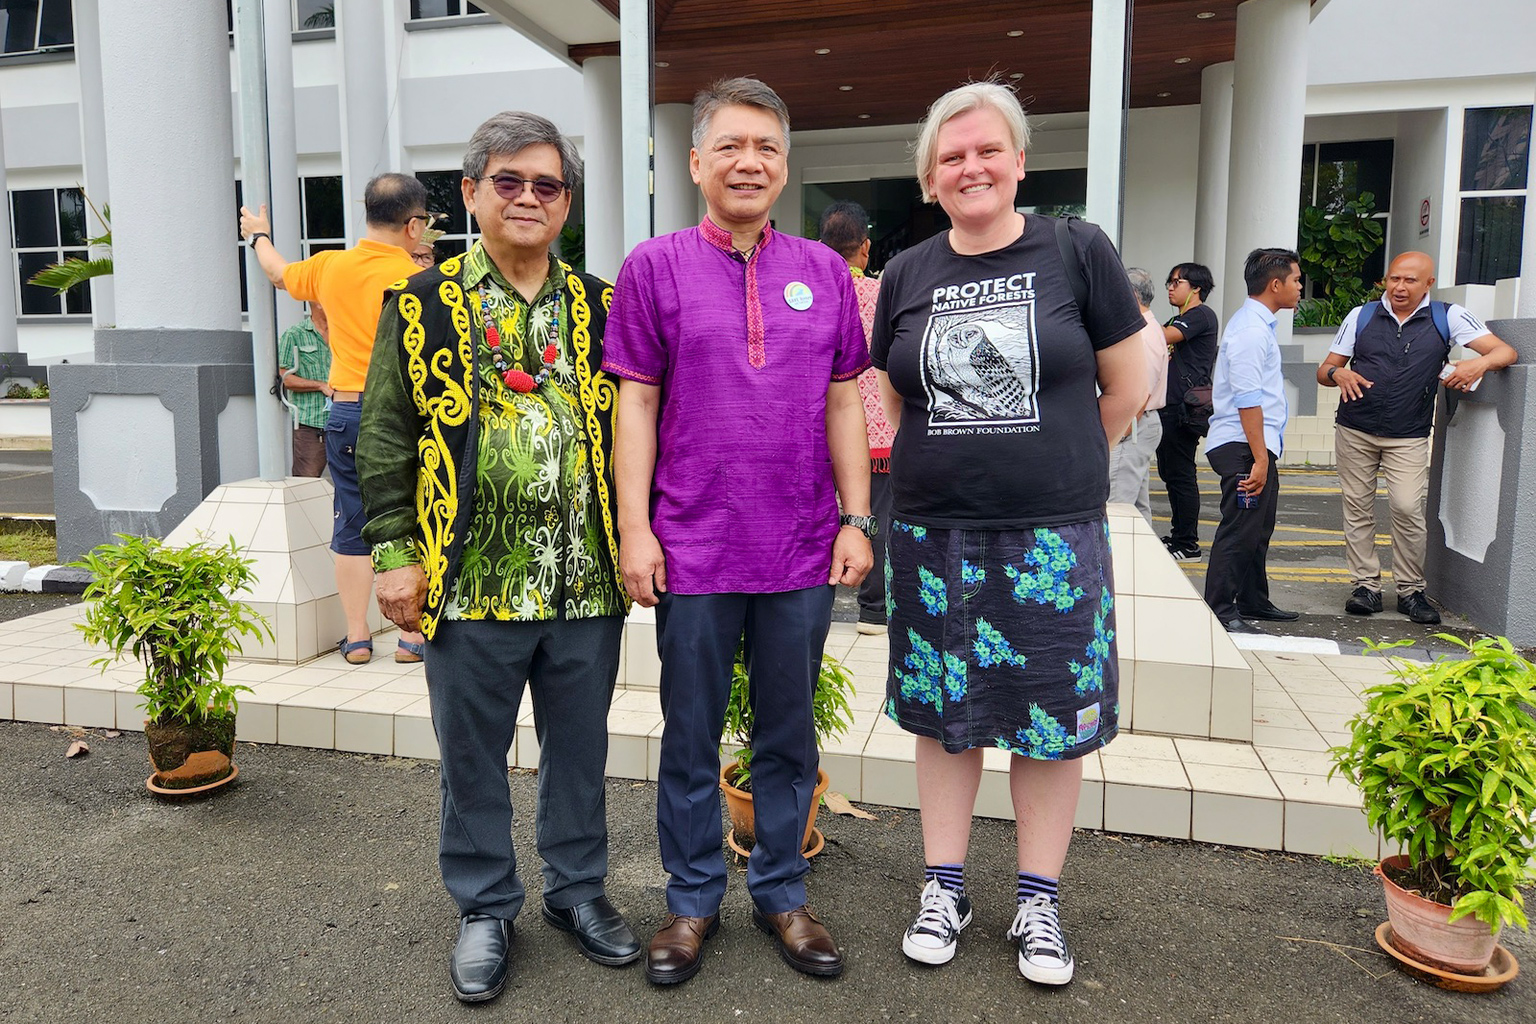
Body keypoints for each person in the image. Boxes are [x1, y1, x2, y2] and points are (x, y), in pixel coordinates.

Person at [356, 111, 641, 1003]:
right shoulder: (422, 302)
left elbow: (643, 427)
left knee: (579, 749)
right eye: (508, 181)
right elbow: (385, 435)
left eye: (546, 185)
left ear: (566, 203)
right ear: (471, 192)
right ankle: (484, 905)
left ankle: (577, 891)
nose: (527, 198)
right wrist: (396, 553)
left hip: (584, 577)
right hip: (469, 579)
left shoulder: (602, 305)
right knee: (471, 753)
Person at [871, 81, 1147, 986]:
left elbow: (1127, 385)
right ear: (929, 179)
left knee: (1046, 724)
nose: (971, 167)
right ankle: (944, 885)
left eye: (988, 150)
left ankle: (1038, 901)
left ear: (1020, 161)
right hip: (930, 534)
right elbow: (897, 395)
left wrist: (1058, 462)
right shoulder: (909, 273)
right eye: (951, 157)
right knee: (947, 723)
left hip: (1048, 542)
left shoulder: (1075, 249)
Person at [605, 77, 873, 986]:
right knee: (690, 733)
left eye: (764, 146)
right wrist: (634, 528)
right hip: (692, 544)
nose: (748, 161)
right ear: (695, 162)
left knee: (788, 733)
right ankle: (688, 904)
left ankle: (782, 894)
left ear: (784, 161)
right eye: (728, 145)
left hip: (800, 544)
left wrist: (855, 516)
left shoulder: (823, 272)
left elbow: (846, 402)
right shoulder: (654, 266)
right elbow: (634, 404)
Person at [239, 176, 428, 665]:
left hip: (347, 408)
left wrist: (258, 234)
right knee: (419, 514)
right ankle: (412, 638)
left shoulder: (330, 266)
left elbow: (278, 274)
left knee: (351, 520)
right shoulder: (424, 280)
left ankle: (359, 637)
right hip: (408, 414)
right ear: (413, 225)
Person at [1317, 252, 1515, 624]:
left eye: (1410, 280)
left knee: (1407, 509)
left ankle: (1410, 591)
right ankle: (1366, 587)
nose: (1400, 287)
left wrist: (1479, 363)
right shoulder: (1360, 315)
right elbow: (1326, 368)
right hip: (1354, 428)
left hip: (1407, 433)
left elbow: (1505, 351)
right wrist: (1337, 374)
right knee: (1357, 508)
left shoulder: (1447, 316)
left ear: (1428, 284)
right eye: (1394, 279)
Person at [1203, 249, 1303, 634]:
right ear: (1275, 284)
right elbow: (1247, 400)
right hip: (1243, 446)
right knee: (1240, 528)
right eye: (1296, 280)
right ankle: (1220, 610)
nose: (1299, 288)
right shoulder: (1249, 331)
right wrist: (1259, 460)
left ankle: (1252, 599)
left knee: (1259, 529)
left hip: (1254, 445)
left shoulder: (1259, 326)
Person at [819, 198, 894, 635]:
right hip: (875, 431)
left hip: (819, 427)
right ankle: (872, 611)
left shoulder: (805, 290)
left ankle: (812, 598)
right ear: (864, 248)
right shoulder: (882, 294)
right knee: (872, 519)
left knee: (818, 514)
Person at [1154, 262, 1218, 561]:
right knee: (1171, 474)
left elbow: (1163, 337)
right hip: (1169, 407)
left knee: (1181, 476)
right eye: (1169, 281)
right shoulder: (1178, 319)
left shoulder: (1200, 316)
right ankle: (1179, 536)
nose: (1170, 286)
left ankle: (1187, 543)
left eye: (1177, 281)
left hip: (1183, 409)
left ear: (1196, 288)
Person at [1107, 268, 1170, 522]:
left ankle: (1123, 562)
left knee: (1118, 507)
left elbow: (1140, 392)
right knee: (1136, 507)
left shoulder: (1142, 333)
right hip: (1139, 423)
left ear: (1131, 295)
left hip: (1133, 424)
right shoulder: (1148, 328)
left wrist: (1119, 433)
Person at [277, 302, 332, 478]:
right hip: (311, 424)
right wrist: (320, 385)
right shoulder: (294, 334)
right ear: (317, 303)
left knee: (353, 483)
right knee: (305, 484)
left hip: (345, 421)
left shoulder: (344, 334)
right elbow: (285, 378)